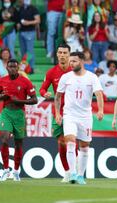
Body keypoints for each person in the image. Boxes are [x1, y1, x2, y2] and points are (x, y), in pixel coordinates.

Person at [55, 52, 104, 184]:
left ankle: (81, 176)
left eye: (74, 61)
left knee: (84, 146)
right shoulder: (65, 77)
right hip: (69, 114)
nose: (71, 63)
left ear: (82, 61)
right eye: (71, 61)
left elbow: (98, 94)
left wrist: (100, 110)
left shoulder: (92, 77)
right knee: (70, 141)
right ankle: (72, 173)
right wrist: (58, 113)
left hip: (85, 116)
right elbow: (58, 96)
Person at [0, 59, 38, 181]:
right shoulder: (2, 80)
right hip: (6, 112)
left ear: (18, 67)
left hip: (19, 114)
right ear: (7, 68)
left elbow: (34, 99)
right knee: (4, 139)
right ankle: (5, 169)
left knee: (18, 143)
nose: (12, 69)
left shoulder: (25, 81)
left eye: (14, 67)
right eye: (10, 67)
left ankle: (16, 171)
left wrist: (19, 101)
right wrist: (2, 96)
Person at [39, 44, 72, 182]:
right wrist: (44, 93)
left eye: (65, 52)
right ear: (57, 54)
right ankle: (68, 172)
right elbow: (41, 89)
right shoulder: (51, 72)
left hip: (74, 112)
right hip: (59, 112)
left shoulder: (75, 71)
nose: (62, 55)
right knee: (62, 142)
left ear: (69, 54)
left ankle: (75, 170)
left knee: (72, 141)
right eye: (60, 52)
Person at [17, 0, 40, 73]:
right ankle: (24, 68)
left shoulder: (33, 8)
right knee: (23, 51)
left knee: (29, 51)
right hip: (21, 32)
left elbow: (38, 20)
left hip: (30, 32)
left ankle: (31, 68)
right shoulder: (21, 8)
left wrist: (28, 23)